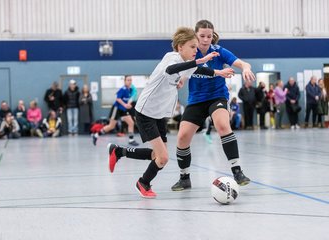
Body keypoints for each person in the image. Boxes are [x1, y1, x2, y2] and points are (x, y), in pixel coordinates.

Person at [106, 27, 234, 198]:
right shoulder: (171, 58)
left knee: (156, 155)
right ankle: (143, 182)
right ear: (180, 47)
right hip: (146, 113)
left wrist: (218, 72)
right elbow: (171, 70)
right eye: (192, 47)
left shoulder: (189, 63)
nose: (196, 50)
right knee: (163, 158)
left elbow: (199, 70)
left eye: (196, 47)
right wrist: (199, 60)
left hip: (159, 114)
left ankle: (118, 151)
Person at [172, 20, 254, 192]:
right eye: (202, 36)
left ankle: (237, 172)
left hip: (217, 96)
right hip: (196, 100)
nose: (206, 39)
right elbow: (186, 71)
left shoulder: (219, 51)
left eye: (209, 36)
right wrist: (181, 80)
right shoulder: (190, 53)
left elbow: (242, 63)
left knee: (223, 126)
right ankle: (184, 177)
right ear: (195, 35)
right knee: (182, 137)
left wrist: (245, 68)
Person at [92, 75, 140, 146]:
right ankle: (96, 135)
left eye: (130, 80)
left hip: (123, 110)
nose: (129, 81)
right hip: (117, 109)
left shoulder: (130, 89)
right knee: (111, 126)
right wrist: (125, 105)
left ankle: (131, 140)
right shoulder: (122, 89)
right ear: (124, 81)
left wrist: (128, 104)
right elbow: (118, 99)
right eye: (128, 80)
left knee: (131, 123)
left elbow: (128, 99)